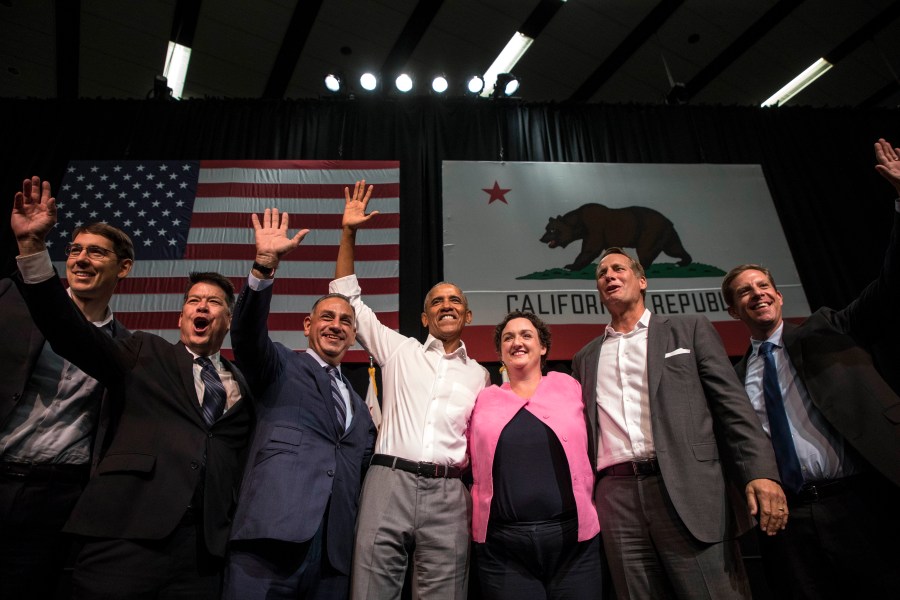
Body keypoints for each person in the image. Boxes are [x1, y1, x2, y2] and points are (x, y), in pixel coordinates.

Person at [11, 176, 254, 599]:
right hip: (128, 536)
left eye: (213, 302)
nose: (202, 307)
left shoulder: (243, 387)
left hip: (201, 552)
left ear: (228, 319)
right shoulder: (144, 351)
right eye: (193, 300)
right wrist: (33, 250)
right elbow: (69, 332)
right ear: (180, 317)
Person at [720, 137, 900, 599]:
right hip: (786, 522)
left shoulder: (829, 329)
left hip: (862, 504)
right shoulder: (735, 381)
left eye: (764, 286)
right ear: (734, 310)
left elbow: (892, 284)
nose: (757, 293)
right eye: (745, 291)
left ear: (779, 297)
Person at [572, 246, 787, 600]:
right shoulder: (586, 357)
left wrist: (760, 471)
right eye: (602, 273)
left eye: (618, 269)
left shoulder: (688, 330)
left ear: (642, 281)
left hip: (688, 488)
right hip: (617, 498)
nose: (609, 275)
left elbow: (733, 407)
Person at [329, 180, 490, 600]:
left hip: (450, 492)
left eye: (454, 300)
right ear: (424, 317)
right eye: (437, 302)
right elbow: (349, 297)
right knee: (369, 592)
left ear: (468, 315)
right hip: (389, 481)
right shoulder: (399, 351)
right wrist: (349, 232)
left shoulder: (482, 376)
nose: (446, 305)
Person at [223, 208, 377, 600]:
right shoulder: (279, 365)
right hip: (269, 541)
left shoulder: (360, 409)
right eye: (327, 316)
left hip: (332, 557)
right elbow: (245, 334)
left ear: (354, 335)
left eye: (346, 321)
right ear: (307, 326)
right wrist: (264, 267)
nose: (336, 325)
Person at [0, 220, 133, 599]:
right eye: (74, 250)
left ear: (123, 268)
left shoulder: (126, 349)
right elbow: (54, 314)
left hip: (57, 498)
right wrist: (30, 245)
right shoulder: (10, 301)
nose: (80, 260)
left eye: (95, 251)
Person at [468, 311, 603, 600]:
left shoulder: (570, 386)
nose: (517, 342)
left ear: (543, 347)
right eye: (508, 337)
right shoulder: (483, 399)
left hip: (574, 544)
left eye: (526, 335)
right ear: (500, 352)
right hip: (504, 550)